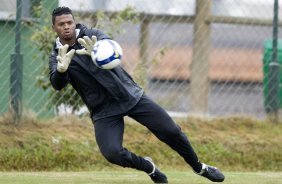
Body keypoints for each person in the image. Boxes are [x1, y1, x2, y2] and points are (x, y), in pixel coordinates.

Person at [49, 6, 225, 183]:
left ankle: (199, 167)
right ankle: (149, 167)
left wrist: (99, 50)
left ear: (74, 22)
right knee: (112, 153)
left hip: (128, 95)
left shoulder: (92, 35)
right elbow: (57, 84)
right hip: (103, 109)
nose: (66, 27)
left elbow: (109, 45)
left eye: (69, 22)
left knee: (171, 131)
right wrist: (62, 70)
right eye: (61, 24)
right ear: (54, 28)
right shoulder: (57, 54)